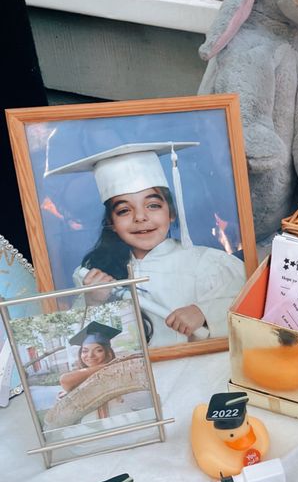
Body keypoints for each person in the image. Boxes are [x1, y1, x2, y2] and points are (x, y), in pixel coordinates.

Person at [46, 142, 246, 347]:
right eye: (124, 210)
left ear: (171, 213)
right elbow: (85, 351)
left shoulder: (209, 264)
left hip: (201, 374)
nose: (140, 217)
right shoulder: (95, 277)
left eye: (153, 205)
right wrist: (95, 303)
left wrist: (204, 313)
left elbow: (252, 316)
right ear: (111, 223)